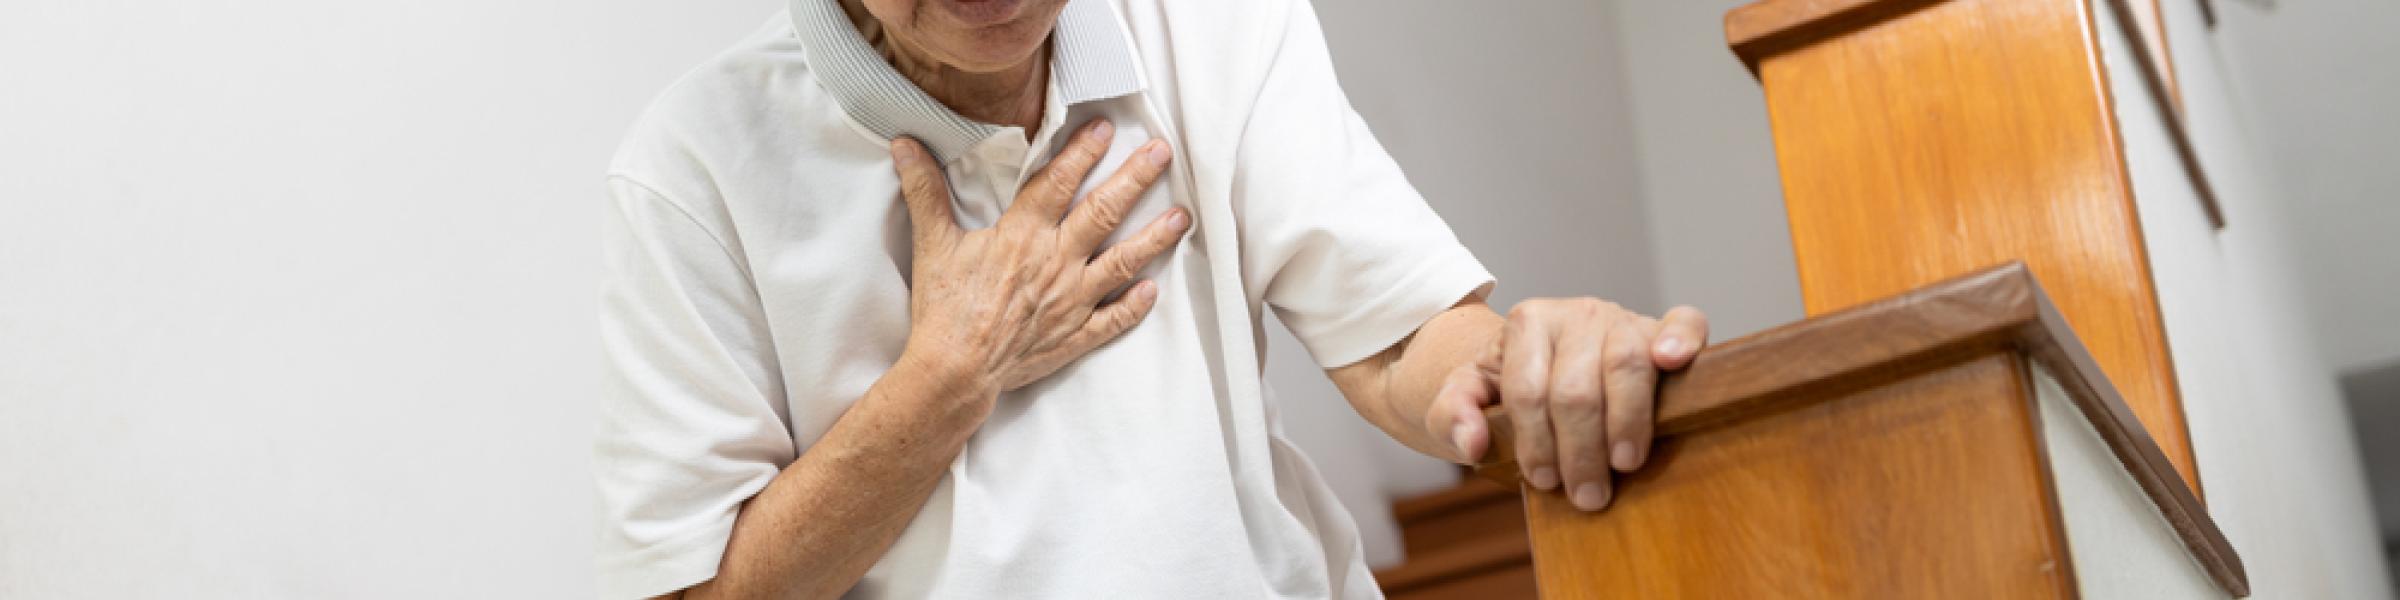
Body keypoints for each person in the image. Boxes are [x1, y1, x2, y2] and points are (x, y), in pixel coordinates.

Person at [596, 0, 1710, 597]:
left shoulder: (1216, 22)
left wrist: (1527, 358)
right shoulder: (691, 166)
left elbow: (1399, 341)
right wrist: (947, 375)